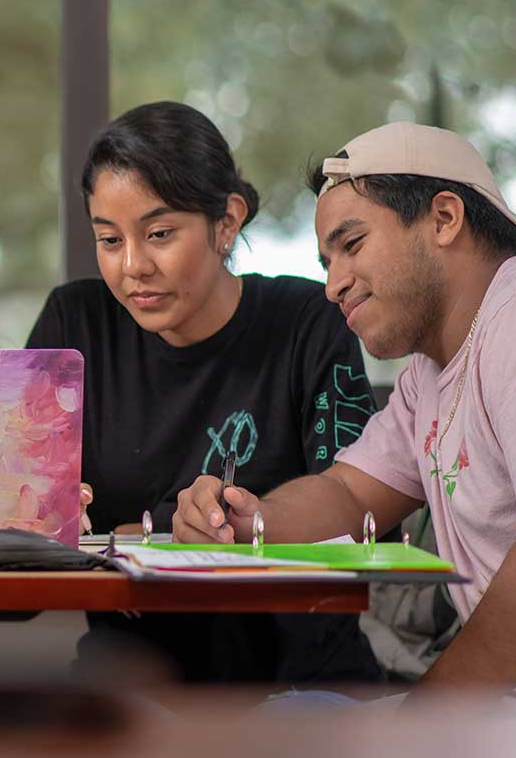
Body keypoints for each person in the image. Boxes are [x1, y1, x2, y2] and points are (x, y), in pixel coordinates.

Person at [174, 121, 516, 702]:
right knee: (282, 721)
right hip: (515, 704)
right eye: (327, 261)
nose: (333, 285)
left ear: (444, 218)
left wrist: (426, 717)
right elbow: (350, 496)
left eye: (351, 246)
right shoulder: (430, 373)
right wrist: (246, 520)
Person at [26, 101, 380, 685]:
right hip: (124, 687)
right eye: (109, 240)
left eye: (159, 234)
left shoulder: (306, 322)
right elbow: (18, 529)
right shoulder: (75, 326)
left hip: (300, 681)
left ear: (227, 223)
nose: (133, 266)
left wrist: (154, 531)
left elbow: (360, 525)